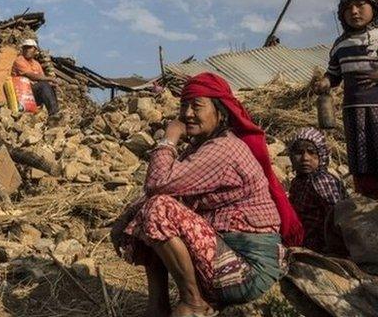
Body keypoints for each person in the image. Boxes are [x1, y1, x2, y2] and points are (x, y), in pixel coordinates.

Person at [111, 73, 303, 317]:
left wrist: (169, 137)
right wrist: (124, 220)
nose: (187, 113)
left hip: (248, 269)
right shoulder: (202, 146)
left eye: (196, 106)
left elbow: (157, 185)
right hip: (226, 254)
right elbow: (156, 192)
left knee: (159, 208)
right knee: (145, 211)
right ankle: (157, 306)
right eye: (184, 105)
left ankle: (193, 303)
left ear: (220, 112)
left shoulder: (224, 148)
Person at [313, 0, 378, 199]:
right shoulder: (341, 44)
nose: (354, 11)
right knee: (361, 156)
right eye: (348, 8)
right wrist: (325, 81)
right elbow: (333, 74)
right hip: (353, 112)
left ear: (374, 7)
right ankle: (366, 197)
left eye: (361, 5)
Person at [287, 127, 347, 254]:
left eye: (311, 152)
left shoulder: (321, 180)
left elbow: (336, 218)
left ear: (321, 155)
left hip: (321, 246)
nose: (305, 158)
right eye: (299, 152)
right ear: (291, 156)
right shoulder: (298, 181)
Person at [11, 39, 60, 116]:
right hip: (22, 94)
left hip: (33, 94)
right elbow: (31, 76)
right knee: (43, 85)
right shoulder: (19, 60)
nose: (27, 50)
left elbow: (42, 78)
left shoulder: (36, 64)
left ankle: (55, 113)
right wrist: (50, 78)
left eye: (30, 48)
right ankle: (53, 114)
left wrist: (51, 84)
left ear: (35, 50)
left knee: (49, 87)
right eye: (25, 48)